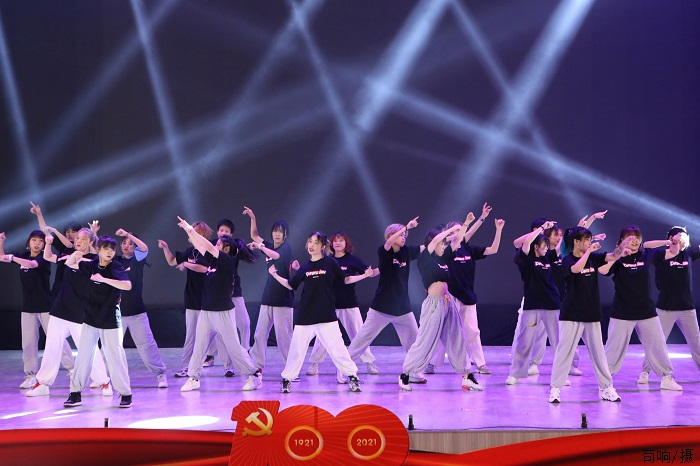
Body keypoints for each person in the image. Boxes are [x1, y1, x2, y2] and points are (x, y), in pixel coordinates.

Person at [269, 231, 373, 393]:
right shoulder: (305, 267)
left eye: (316, 242)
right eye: (310, 242)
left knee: (338, 349)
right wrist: (274, 275)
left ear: (323, 246)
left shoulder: (330, 263)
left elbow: (345, 279)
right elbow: (291, 285)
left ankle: (352, 377)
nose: (311, 245)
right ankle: (287, 379)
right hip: (305, 317)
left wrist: (364, 276)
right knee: (296, 351)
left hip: (326, 316)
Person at [176, 217, 262, 392]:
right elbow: (201, 247)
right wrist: (188, 231)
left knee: (233, 347)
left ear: (226, 248)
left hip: (223, 312)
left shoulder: (226, 261)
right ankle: (194, 377)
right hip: (207, 310)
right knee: (200, 345)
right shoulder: (213, 261)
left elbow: (207, 246)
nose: (215, 245)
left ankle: (254, 374)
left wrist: (190, 229)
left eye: (219, 244)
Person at [25, 228, 111, 397]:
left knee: (88, 348)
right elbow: (48, 257)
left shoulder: (94, 261)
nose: (78, 241)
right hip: (60, 309)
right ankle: (43, 383)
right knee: (52, 347)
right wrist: (48, 244)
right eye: (77, 238)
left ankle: (103, 381)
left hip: (80, 313)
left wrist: (80, 256)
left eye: (83, 239)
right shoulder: (69, 256)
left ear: (90, 242)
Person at [548, 227, 629, 403]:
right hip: (571, 313)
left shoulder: (593, 258)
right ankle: (555, 388)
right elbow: (576, 269)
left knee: (599, 353)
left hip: (591, 313)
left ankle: (606, 387)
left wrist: (622, 247)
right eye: (586, 239)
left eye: (590, 239)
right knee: (564, 352)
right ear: (576, 242)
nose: (589, 242)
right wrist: (588, 252)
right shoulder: (567, 259)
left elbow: (613, 256)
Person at [597, 226, 681, 391]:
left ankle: (667, 377)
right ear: (621, 240)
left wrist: (674, 242)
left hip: (646, 311)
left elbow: (672, 252)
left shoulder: (647, 254)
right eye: (629, 237)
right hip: (622, 311)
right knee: (613, 349)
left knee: (658, 345)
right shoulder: (616, 257)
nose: (634, 240)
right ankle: (605, 382)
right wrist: (618, 254)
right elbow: (602, 270)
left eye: (637, 237)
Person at [399, 226, 482, 392]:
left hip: (447, 302)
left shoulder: (443, 259)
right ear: (433, 243)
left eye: (445, 244)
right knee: (425, 340)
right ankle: (406, 373)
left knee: (457, 337)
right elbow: (436, 239)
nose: (444, 246)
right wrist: (450, 231)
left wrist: (466, 224)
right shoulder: (425, 258)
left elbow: (457, 241)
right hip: (434, 305)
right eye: (442, 243)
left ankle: (467, 376)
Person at [346, 217, 426, 383]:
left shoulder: (406, 251)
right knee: (362, 339)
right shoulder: (384, 252)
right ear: (391, 235)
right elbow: (388, 243)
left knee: (414, 342)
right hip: (381, 307)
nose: (404, 237)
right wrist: (406, 226)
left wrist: (446, 238)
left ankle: (413, 372)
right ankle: (344, 369)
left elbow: (426, 247)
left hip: (402, 308)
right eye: (401, 235)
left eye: (405, 235)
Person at [427, 203, 503, 375]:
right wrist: (477, 220)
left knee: (473, 332)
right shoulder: (446, 250)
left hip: (467, 297)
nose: (460, 232)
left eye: (460, 229)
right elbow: (462, 235)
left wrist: (497, 229)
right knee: (443, 330)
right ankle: (432, 362)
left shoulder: (468, 248)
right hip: (449, 296)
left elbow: (493, 249)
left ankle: (480, 364)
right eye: (455, 230)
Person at [63, 236, 133, 408]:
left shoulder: (115, 266)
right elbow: (70, 263)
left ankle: (125, 394)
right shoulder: (92, 264)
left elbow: (127, 285)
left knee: (115, 356)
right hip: (91, 317)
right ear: (99, 249)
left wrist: (104, 279)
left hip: (110, 318)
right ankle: (75, 393)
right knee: (83, 355)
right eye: (106, 249)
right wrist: (77, 253)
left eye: (112, 249)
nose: (110, 252)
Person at [0, 230, 74, 389]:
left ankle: (73, 369)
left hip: (46, 307)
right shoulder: (24, 256)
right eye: (34, 240)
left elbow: (32, 265)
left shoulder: (43, 258)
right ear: (29, 242)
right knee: (28, 344)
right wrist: (1, 242)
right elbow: (2, 257)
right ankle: (31, 376)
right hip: (28, 308)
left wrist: (13, 258)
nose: (37, 243)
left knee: (57, 340)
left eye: (40, 241)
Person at [304, 231, 379, 379]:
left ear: (346, 243)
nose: (338, 243)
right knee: (322, 337)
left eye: (341, 240)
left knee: (359, 334)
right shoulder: (327, 261)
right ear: (331, 244)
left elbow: (369, 273)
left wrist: (381, 268)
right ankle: (315, 364)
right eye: (335, 240)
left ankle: (369, 362)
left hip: (349, 303)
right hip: (329, 305)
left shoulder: (352, 260)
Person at [638, 226, 700, 383]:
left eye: (683, 236)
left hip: (687, 308)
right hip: (665, 308)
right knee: (656, 342)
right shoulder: (662, 254)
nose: (682, 239)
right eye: (678, 236)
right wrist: (668, 242)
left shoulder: (688, 254)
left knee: (696, 342)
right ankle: (645, 371)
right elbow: (645, 245)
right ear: (671, 238)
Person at [157, 221, 219, 377]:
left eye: (194, 232)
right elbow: (172, 261)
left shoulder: (209, 252)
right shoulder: (189, 251)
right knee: (191, 336)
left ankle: (225, 364)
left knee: (213, 334)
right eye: (190, 231)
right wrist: (166, 248)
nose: (190, 234)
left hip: (208, 300)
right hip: (192, 299)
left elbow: (203, 268)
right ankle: (186, 366)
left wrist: (186, 264)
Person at [506, 222, 560, 385]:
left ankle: (561, 375)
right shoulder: (526, 259)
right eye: (544, 245)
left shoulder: (547, 257)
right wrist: (542, 229)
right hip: (532, 305)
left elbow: (561, 246)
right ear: (536, 246)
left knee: (558, 342)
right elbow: (524, 242)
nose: (547, 248)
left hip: (551, 305)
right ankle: (515, 374)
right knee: (524, 341)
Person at [243, 206, 294, 372]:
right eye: (275, 231)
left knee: (284, 339)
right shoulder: (269, 246)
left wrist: (260, 247)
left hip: (283, 300)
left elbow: (276, 256)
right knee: (260, 334)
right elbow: (254, 235)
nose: (277, 234)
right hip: (268, 298)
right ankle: (257, 366)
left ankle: (291, 369)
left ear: (285, 235)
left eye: (280, 231)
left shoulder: (285, 248)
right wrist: (253, 218)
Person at [114, 229, 168, 388]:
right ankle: (104, 378)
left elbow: (144, 248)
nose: (126, 245)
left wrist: (128, 234)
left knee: (147, 345)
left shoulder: (137, 260)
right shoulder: (115, 261)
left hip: (137, 312)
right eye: (124, 243)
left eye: (130, 244)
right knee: (111, 345)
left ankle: (160, 374)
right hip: (117, 313)